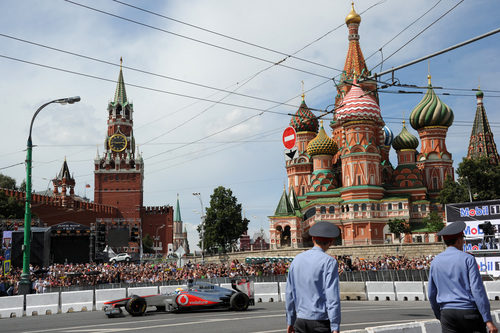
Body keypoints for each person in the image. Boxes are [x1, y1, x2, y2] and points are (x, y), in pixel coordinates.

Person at [428, 221, 498, 333]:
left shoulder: (435, 261)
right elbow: (477, 290)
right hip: (468, 312)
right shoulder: (468, 259)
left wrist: (439, 314)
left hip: (447, 314)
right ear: (459, 240)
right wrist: (487, 319)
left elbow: (431, 293)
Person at [285, 221, 341, 333]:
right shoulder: (329, 262)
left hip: (300, 320)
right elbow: (332, 296)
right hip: (320, 321)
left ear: (313, 239)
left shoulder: (296, 260)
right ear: (330, 242)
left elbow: (289, 294)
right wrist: (335, 325)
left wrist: (290, 321)